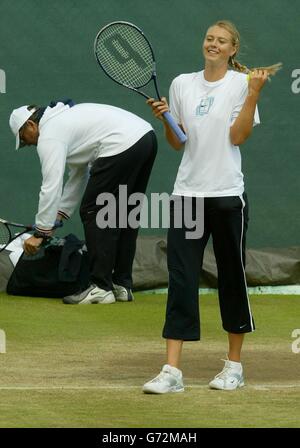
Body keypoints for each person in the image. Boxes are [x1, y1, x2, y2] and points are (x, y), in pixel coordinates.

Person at [143, 20, 281, 392]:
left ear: (233, 49)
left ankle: (233, 366)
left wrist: (253, 93)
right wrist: (167, 120)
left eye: (221, 41)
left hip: (226, 196)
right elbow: (178, 142)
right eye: (209, 39)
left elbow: (237, 137)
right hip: (187, 195)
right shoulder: (182, 84)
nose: (213, 44)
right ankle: (172, 372)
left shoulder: (240, 84)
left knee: (231, 278)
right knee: (181, 280)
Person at [9, 100, 157, 304]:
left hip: (122, 143)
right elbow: (78, 175)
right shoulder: (63, 124)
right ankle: (122, 284)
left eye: (24, 139)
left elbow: (51, 185)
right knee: (124, 213)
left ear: (31, 125)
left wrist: (41, 232)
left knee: (93, 210)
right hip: (145, 138)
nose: (28, 144)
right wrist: (58, 216)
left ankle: (101, 287)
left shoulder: (50, 134)